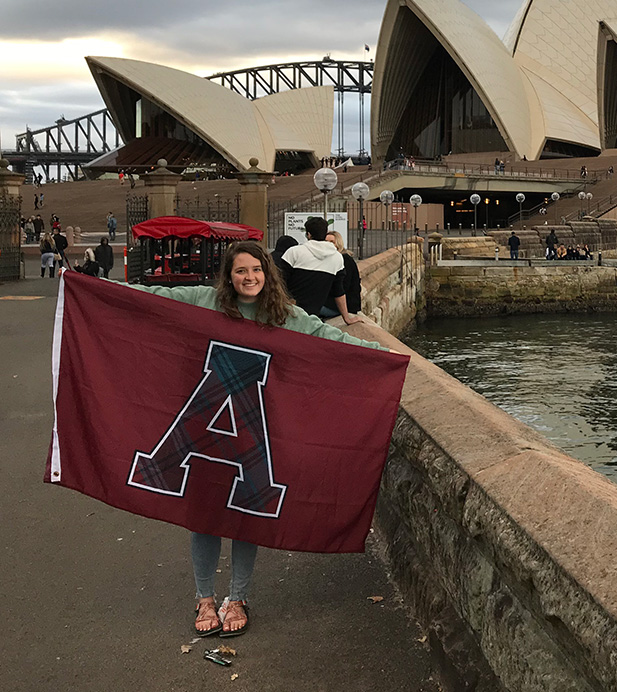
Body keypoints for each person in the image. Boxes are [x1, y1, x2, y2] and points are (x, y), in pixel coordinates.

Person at [66, 241, 387, 637]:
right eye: (240, 271)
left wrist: (383, 358)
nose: (249, 277)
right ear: (228, 276)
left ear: (267, 273)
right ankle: (204, 598)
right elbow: (153, 301)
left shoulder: (285, 316)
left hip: (252, 433)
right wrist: (94, 287)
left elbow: (330, 340)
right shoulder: (205, 301)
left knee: (245, 516)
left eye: (256, 269)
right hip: (201, 433)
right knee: (203, 516)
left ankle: (237, 597)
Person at [279, 217, 360, 325]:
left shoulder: (294, 252)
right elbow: (339, 291)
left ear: (308, 234)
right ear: (325, 233)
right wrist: (347, 318)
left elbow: (278, 281)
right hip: (313, 314)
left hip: (288, 310)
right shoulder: (337, 258)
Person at [320, 231, 361, 317]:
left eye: (332, 242)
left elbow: (343, 287)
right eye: (326, 242)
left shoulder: (345, 260)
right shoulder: (331, 259)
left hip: (343, 307)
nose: (328, 244)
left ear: (338, 244)